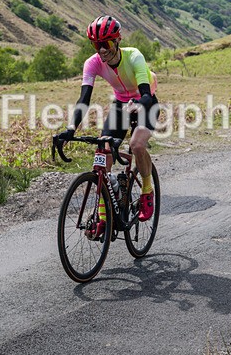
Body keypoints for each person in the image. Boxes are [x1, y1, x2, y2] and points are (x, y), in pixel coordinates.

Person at [57, 15, 159, 238]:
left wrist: (138, 105)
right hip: (121, 104)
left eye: (106, 43)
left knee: (137, 144)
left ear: (117, 40)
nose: (102, 50)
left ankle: (147, 190)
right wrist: (71, 128)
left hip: (145, 102)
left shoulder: (134, 56)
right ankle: (104, 216)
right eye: (97, 45)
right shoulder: (92, 63)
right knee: (102, 152)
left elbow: (146, 94)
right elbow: (84, 99)